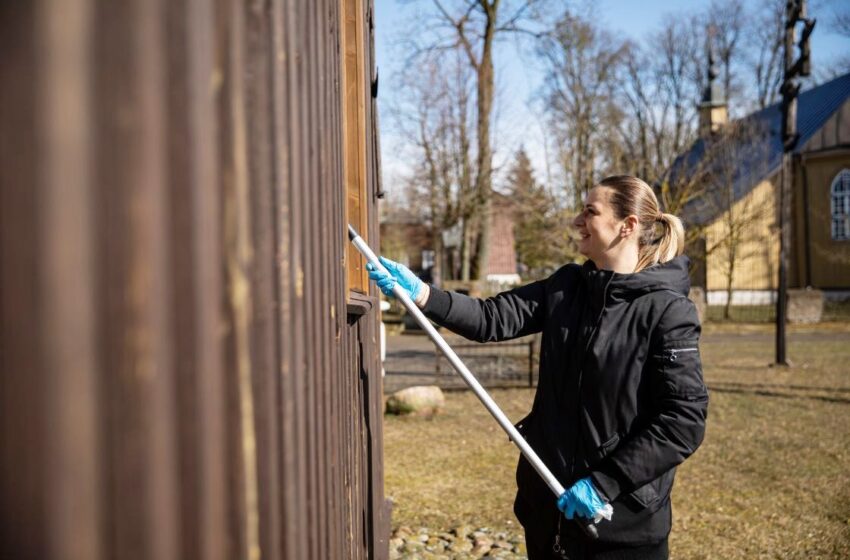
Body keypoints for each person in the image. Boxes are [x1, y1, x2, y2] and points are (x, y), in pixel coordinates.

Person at [369, 175, 708, 559]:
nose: (577, 221)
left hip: (621, 525)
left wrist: (604, 483)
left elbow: (683, 420)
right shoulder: (567, 287)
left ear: (627, 226)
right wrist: (423, 293)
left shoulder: (667, 311)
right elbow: (491, 317)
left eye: (590, 212)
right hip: (548, 511)